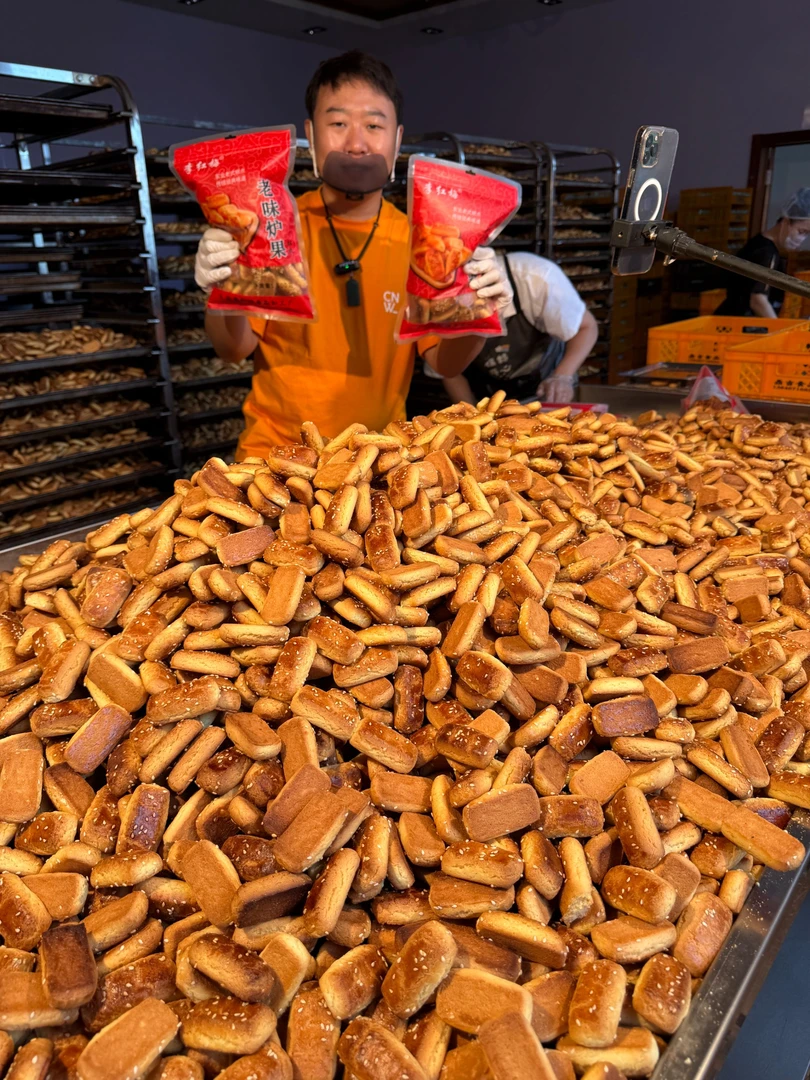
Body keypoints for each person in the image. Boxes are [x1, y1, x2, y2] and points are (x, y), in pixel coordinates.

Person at [193, 50, 511, 459]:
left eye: (374, 125)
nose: (357, 143)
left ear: (397, 139)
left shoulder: (424, 242)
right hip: (274, 462)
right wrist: (223, 292)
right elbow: (232, 349)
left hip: (377, 463)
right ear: (311, 134)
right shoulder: (272, 229)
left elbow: (445, 362)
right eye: (338, 123)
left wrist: (479, 311)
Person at [423, 250, 598, 405]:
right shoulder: (437, 305)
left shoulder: (536, 278)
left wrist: (562, 376)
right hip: (489, 398)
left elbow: (586, 328)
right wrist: (471, 413)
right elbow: (448, 370)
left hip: (545, 392)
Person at [715, 188, 810, 318]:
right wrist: (778, 332)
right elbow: (758, 300)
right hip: (738, 324)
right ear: (786, 222)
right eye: (801, 231)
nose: (801, 239)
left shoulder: (759, 242)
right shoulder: (766, 253)